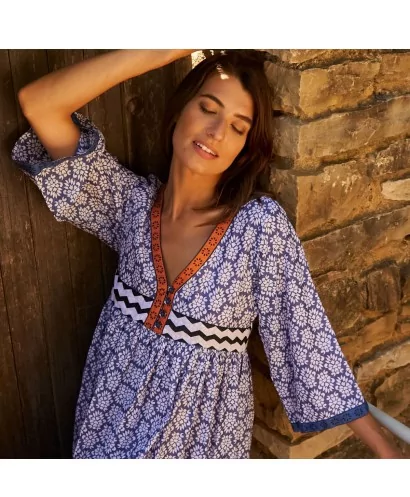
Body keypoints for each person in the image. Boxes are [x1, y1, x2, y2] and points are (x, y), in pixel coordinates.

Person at [11, 49, 403, 459]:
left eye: (237, 127)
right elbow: (40, 104)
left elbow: (307, 339)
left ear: (245, 148)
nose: (216, 132)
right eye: (208, 108)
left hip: (200, 443)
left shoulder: (258, 226)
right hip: (106, 435)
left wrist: (387, 455)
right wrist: (168, 46)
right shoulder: (129, 205)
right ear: (180, 109)